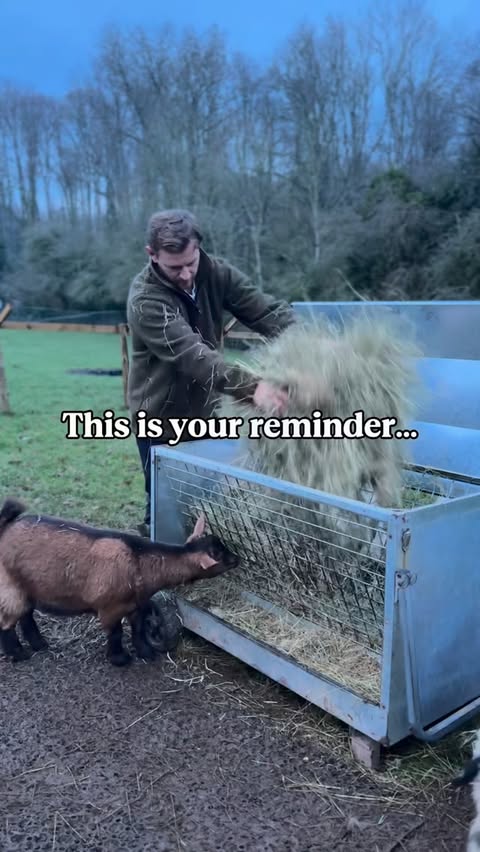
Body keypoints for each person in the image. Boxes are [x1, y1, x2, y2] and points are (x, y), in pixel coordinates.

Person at [126, 209, 297, 536]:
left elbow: (265, 311)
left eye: (191, 262)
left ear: (198, 247)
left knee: (209, 494)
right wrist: (253, 387)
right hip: (160, 415)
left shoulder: (216, 272)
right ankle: (158, 557)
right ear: (152, 255)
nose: (188, 274)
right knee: (164, 504)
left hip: (207, 410)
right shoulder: (145, 299)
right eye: (175, 267)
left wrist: (309, 342)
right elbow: (193, 355)